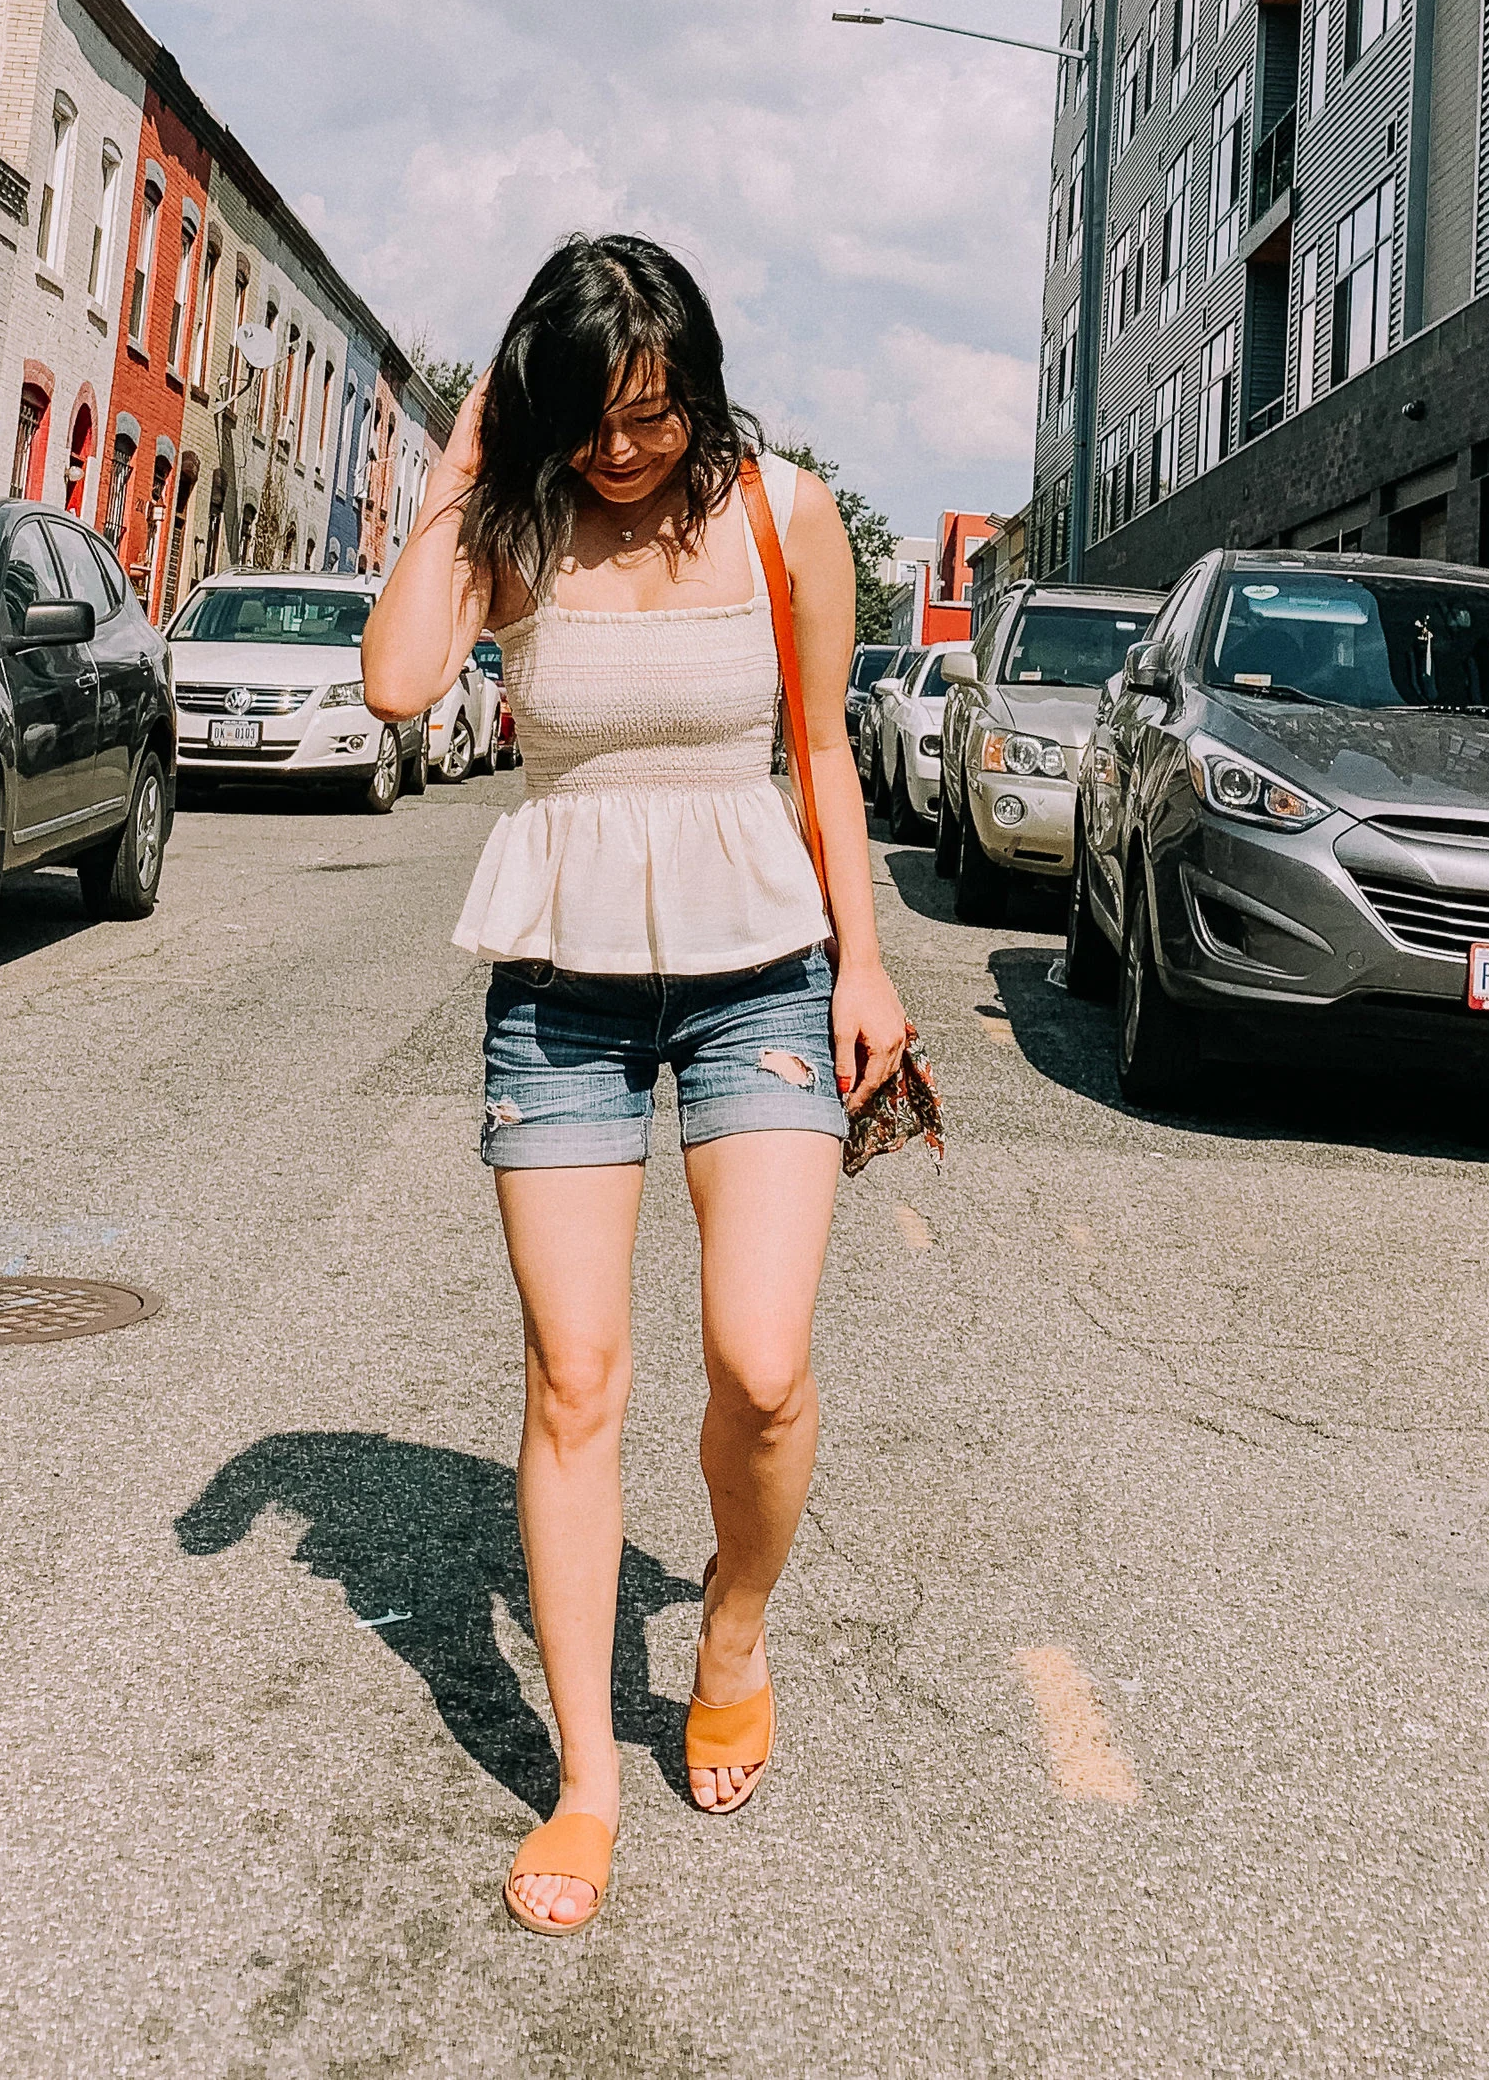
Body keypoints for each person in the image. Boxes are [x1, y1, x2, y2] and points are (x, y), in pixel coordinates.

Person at [360, 233, 907, 1936]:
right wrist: (462, 457)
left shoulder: (780, 511)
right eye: (591, 416)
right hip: (562, 995)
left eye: (654, 414)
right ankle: (588, 1776)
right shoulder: (517, 518)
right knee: (575, 1379)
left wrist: (869, 962)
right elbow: (394, 681)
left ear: (700, 390)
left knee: (759, 1361)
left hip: (762, 968)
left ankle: (734, 1621)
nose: (623, 449)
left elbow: (821, 749)